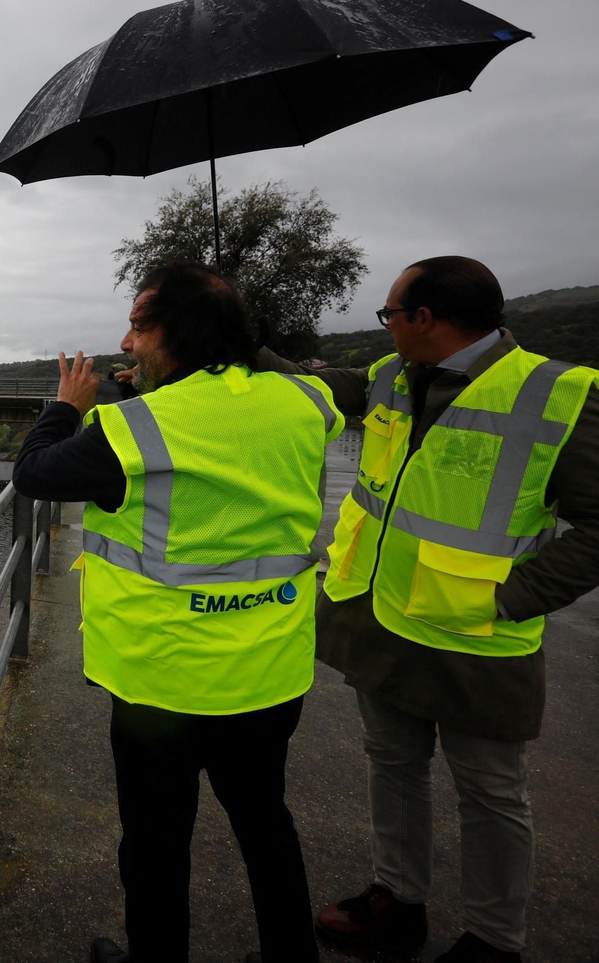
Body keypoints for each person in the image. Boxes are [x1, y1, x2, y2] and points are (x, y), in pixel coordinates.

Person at [254, 257, 599, 963]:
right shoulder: (391, 374)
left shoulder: (560, 394)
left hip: (478, 636)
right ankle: (396, 898)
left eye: (389, 314)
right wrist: (235, 335)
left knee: (492, 792)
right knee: (392, 763)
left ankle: (494, 941)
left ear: (424, 318)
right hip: (380, 620)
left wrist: (514, 597)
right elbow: (309, 383)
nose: (385, 326)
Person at [12, 262, 343, 963]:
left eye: (139, 326)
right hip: (268, 672)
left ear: (182, 330)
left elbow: (35, 472)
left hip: (163, 683)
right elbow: (263, 402)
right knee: (265, 826)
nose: (126, 343)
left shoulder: (133, 427)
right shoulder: (308, 401)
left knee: (157, 843)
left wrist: (66, 406)